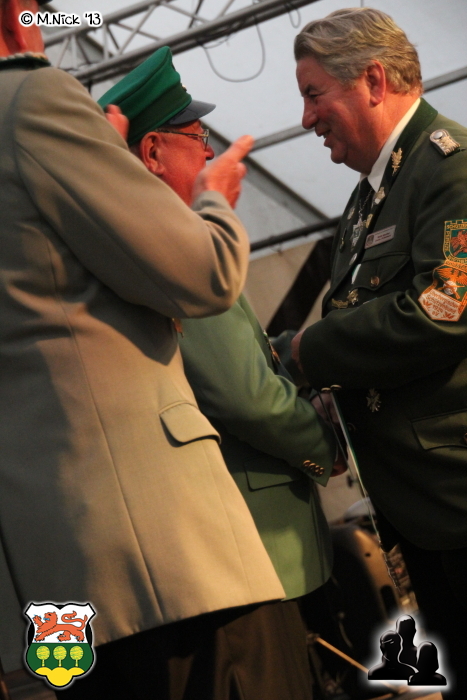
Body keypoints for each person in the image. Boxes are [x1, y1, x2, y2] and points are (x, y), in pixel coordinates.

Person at [0, 2, 286, 697]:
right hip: (159, 564)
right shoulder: (33, 99)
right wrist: (214, 202)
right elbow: (203, 274)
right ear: (13, 14)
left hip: (49, 583)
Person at [98, 47, 343, 700]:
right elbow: (245, 395)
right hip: (253, 555)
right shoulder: (171, 245)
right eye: (197, 138)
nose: (209, 154)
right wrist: (325, 448)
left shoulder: (122, 244)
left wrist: (289, 355)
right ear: (153, 152)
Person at [290, 7, 467, 698]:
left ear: (371, 80)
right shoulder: (366, 202)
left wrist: (306, 351)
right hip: (420, 510)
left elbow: (444, 311)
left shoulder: (451, 169)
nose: (306, 118)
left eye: (314, 95)